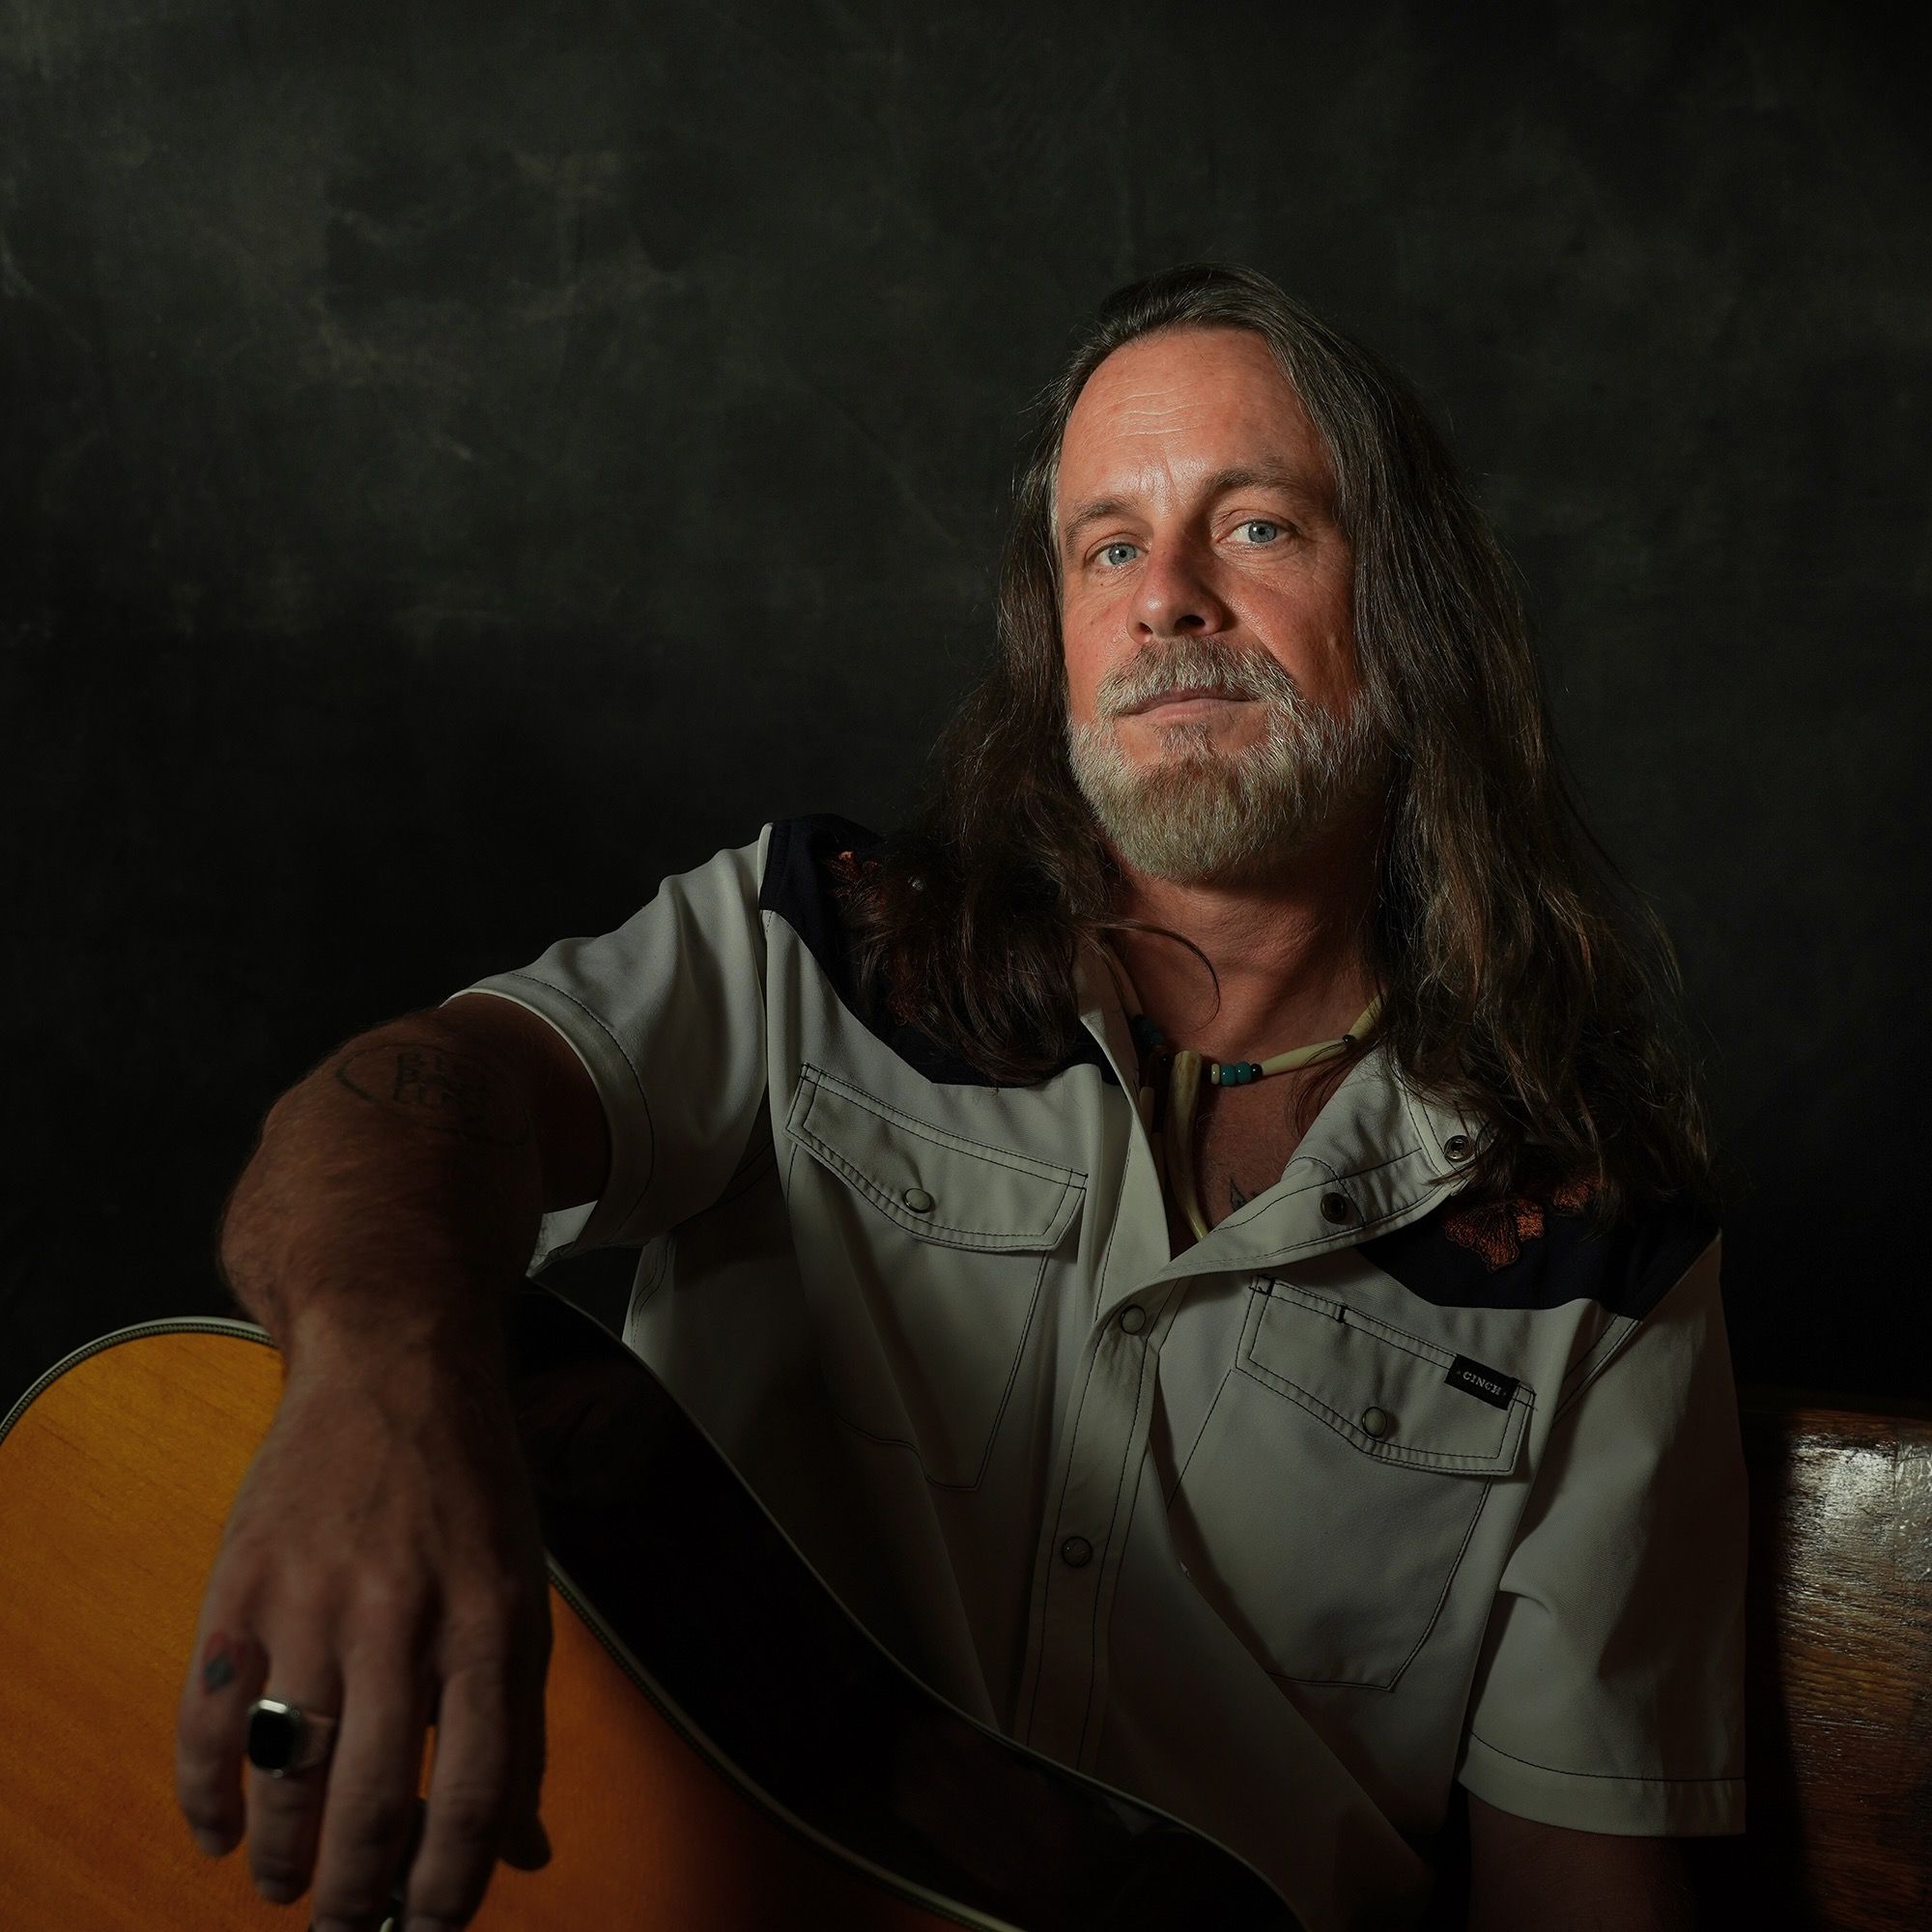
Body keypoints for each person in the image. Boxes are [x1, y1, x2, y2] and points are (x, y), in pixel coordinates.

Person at [177, 262, 1747, 1932]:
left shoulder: (1600, 1254)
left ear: (1413, 611)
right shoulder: (813, 949)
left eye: (1258, 527)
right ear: (1055, 635)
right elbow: (400, 1107)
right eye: (1109, 546)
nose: (1169, 600)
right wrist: (382, 1379)